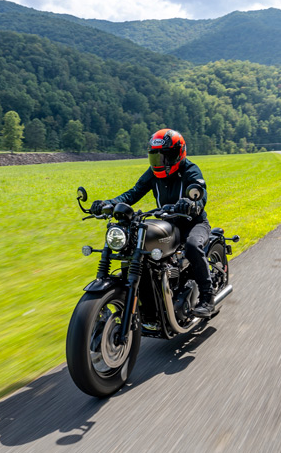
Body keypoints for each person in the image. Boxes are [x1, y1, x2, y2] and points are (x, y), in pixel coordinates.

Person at [90, 128, 216, 317]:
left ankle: (208, 297)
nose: (161, 162)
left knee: (191, 245)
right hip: (168, 225)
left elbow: (200, 192)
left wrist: (192, 203)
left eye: (166, 156)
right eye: (156, 157)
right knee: (140, 249)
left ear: (178, 153)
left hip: (193, 223)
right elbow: (133, 193)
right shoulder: (153, 174)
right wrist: (109, 203)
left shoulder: (190, 170)